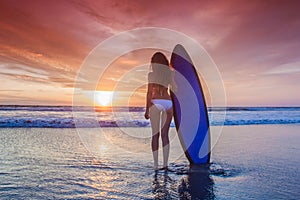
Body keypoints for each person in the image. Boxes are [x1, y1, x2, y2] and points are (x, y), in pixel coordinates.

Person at [144, 52, 175, 170]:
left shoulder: (151, 75)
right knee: (165, 135)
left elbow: (148, 93)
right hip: (168, 103)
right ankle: (165, 165)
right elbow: (175, 89)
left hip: (155, 103)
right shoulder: (170, 73)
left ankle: (156, 165)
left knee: (155, 135)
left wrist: (147, 109)